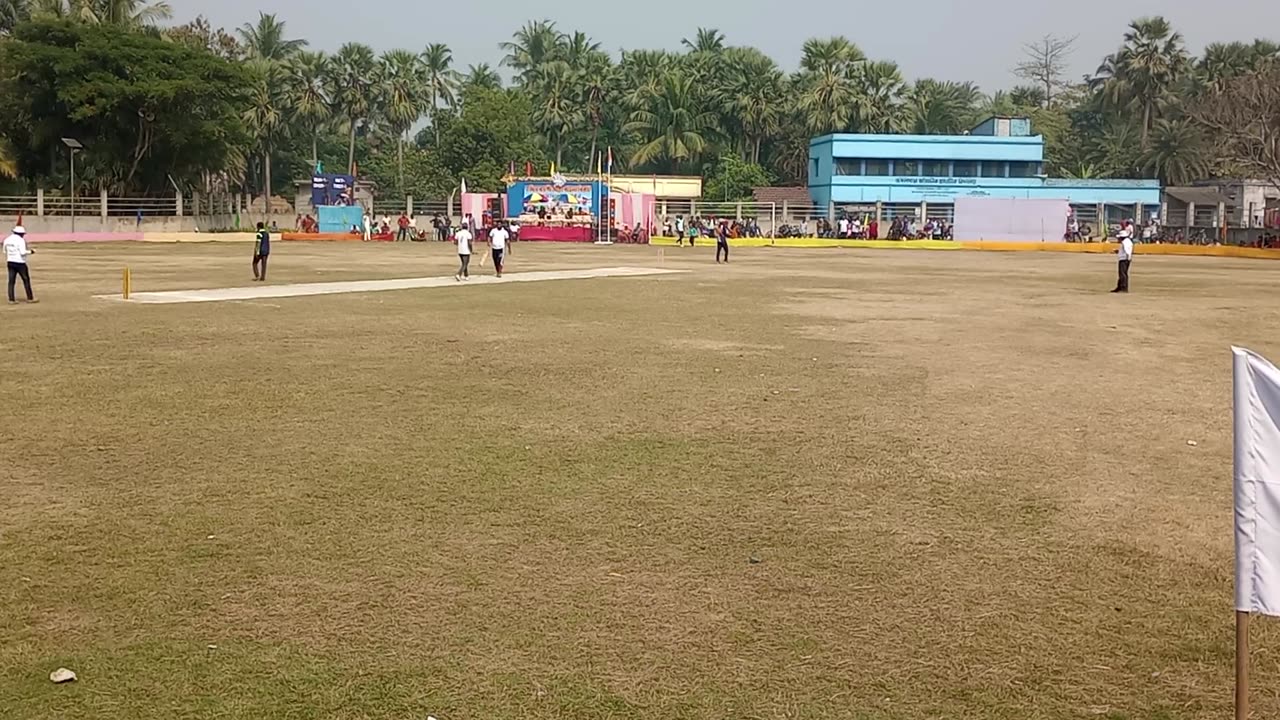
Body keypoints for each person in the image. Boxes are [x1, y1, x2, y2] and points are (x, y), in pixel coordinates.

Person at [4, 225, 36, 304]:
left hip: (10, 262)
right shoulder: (21, 240)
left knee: (11, 281)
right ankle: (30, 298)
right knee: (26, 280)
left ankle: (11, 299)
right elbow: (22, 252)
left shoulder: (7, 239)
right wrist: (31, 251)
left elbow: (4, 251)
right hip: (20, 263)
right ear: (21, 234)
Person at [1112, 222, 1133, 293]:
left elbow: (1127, 251)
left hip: (1124, 259)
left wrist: (1128, 258)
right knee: (1122, 273)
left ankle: (1123, 288)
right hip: (1124, 259)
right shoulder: (1126, 241)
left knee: (1123, 274)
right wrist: (1118, 251)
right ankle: (1120, 287)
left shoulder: (1125, 242)